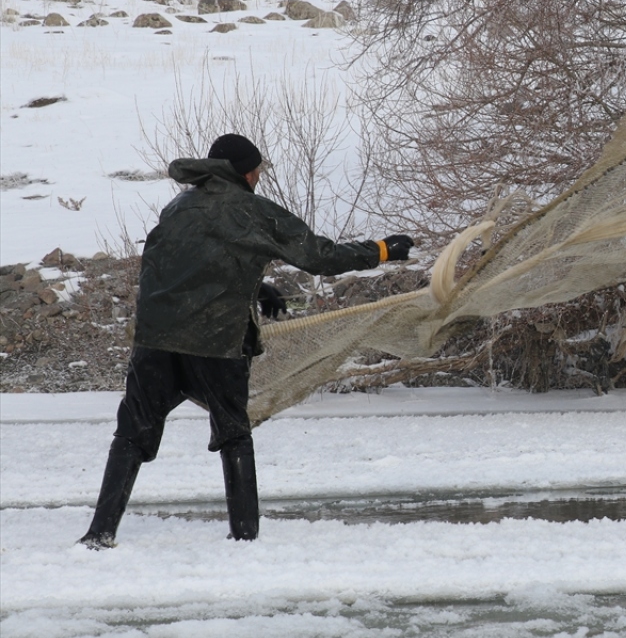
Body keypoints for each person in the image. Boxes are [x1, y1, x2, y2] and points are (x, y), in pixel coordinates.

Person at [78, 133, 413, 549]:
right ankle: (244, 538)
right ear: (246, 173)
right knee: (234, 434)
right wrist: (380, 250)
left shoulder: (179, 207)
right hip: (217, 344)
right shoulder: (252, 210)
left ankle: (100, 533)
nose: (258, 176)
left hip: (155, 341)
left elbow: (180, 268)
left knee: (132, 433)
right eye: (257, 170)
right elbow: (319, 256)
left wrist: (254, 287)